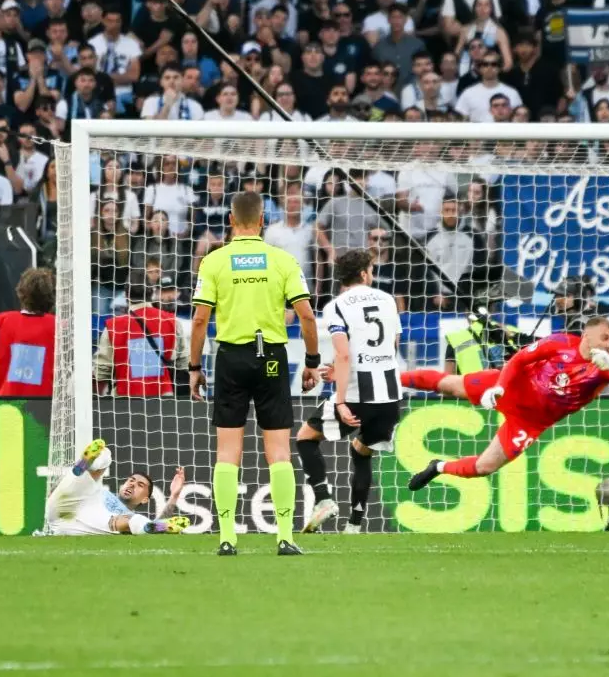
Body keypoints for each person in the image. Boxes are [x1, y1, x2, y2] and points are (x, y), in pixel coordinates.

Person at [189, 192, 321, 556]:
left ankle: (227, 537)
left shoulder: (215, 261)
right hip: (272, 359)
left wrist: (194, 367)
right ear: (262, 220)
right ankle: (284, 537)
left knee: (228, 452)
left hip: (230, 357)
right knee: (278, 451)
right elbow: (307, 315)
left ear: (231, 220)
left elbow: (200, 319)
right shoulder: (282, 260)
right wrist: (312, 360)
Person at [406, 317, 609, 486]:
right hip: (514, 388)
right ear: (587, 335)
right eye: (604, 338)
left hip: (530, 422)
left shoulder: (606, 366)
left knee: (484, 467)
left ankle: (437, 467)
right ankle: (386, 379)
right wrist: (500, 386)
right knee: (448, 385)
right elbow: (519, 360)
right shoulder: (560, 343)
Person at [298, 250, 402, 535]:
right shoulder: (388, 301)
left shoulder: (336, 306)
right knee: (361, 452)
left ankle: (324, 500)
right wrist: (340, 370)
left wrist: (340, 399)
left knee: (305, 438)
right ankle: (354, 525)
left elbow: (343, 354)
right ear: (364, 274)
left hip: (357, 396)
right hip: (391, 397)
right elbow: (390, 347)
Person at [37, 440, 189, 537]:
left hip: (96, 523)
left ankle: (148, 528)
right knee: (105, 454)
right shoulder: (98, 491)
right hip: (67, 509)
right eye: (131, 480)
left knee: (136, 521)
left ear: (145, 499)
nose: (132, 484)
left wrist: (174, 496)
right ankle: (86, 464)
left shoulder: (125, 516)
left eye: (140, 485)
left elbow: (158, 523)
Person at [94, 273, 187, 397]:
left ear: (126, 295)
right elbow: (184, 363)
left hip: (124, 404)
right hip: (164, 402)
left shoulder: (113, 327)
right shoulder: (172, 322)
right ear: (151, 293)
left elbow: (102, 372)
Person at [0, 268, 57, 397]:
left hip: (7, 402)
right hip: (45, 405)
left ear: (21, 292)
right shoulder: (59, 327)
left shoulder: (3, 322)